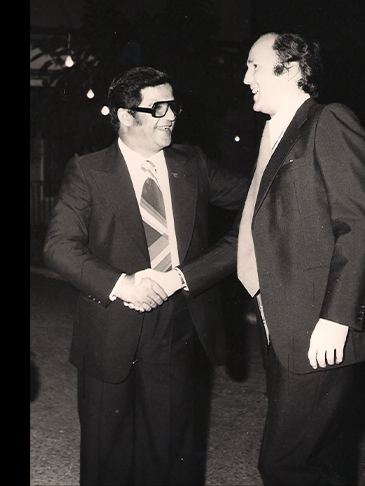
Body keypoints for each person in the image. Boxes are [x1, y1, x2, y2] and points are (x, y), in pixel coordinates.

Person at [43, 66, 249, 485]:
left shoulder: (193, 164)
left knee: (171, 454)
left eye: (173, 105)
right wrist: (122, 285)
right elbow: (58, 246)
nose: (171, 115)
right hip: (109, 327)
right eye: (158, 108)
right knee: (106, 457)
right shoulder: (88, 171)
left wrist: (195, 272)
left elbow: (258, 199)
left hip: (178, 325)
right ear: (125, 115)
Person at [237, 32, 365, 485]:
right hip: (284, 325)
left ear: (291, 69)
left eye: (254, 66)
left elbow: (358, 223)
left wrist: (337, 318)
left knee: (285, 464)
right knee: (323, 460)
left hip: (320, 327)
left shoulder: (329, 121)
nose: (246, 79)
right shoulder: (274, 134)